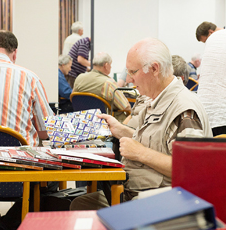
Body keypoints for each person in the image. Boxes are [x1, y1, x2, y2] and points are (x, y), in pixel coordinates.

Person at [70, 38, 212, 210]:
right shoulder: (156, 100)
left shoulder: (184, 111)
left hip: (162, 203)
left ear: (154, 69)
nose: (129, 79)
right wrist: (120, 130)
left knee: (82, 208)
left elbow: (190, 171)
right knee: (80, 203)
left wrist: (140, 153)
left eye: (133, 72)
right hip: (135, 191)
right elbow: (157, 142)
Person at [73, 52, 131, 122]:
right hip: (106, 123)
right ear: (106, 65)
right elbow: (126, 107)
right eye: (110, 65)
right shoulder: (108, 83)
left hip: (84, 122)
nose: (111, 67)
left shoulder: (79, 78)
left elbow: (74, 99)